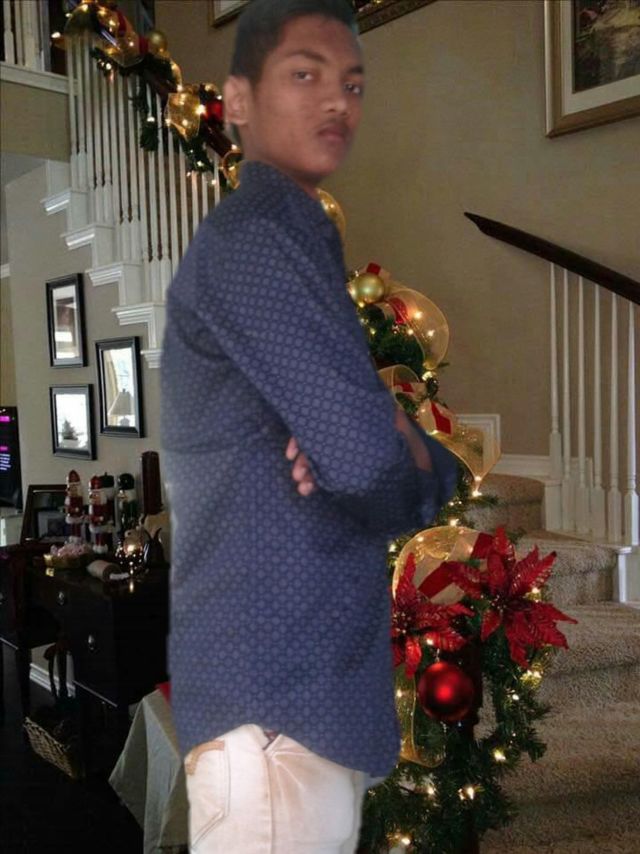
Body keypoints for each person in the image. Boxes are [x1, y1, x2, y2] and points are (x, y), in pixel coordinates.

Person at [160, 1, 458, 851]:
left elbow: (362, 440)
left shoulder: (289, 236)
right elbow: (364, 459)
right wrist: (404, 451)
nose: (336, 102)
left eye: (351, 83)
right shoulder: (258, 238)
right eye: (305, 74)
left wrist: (391, 434)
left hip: (290, 701)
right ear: (238, 101)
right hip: (276, 713)